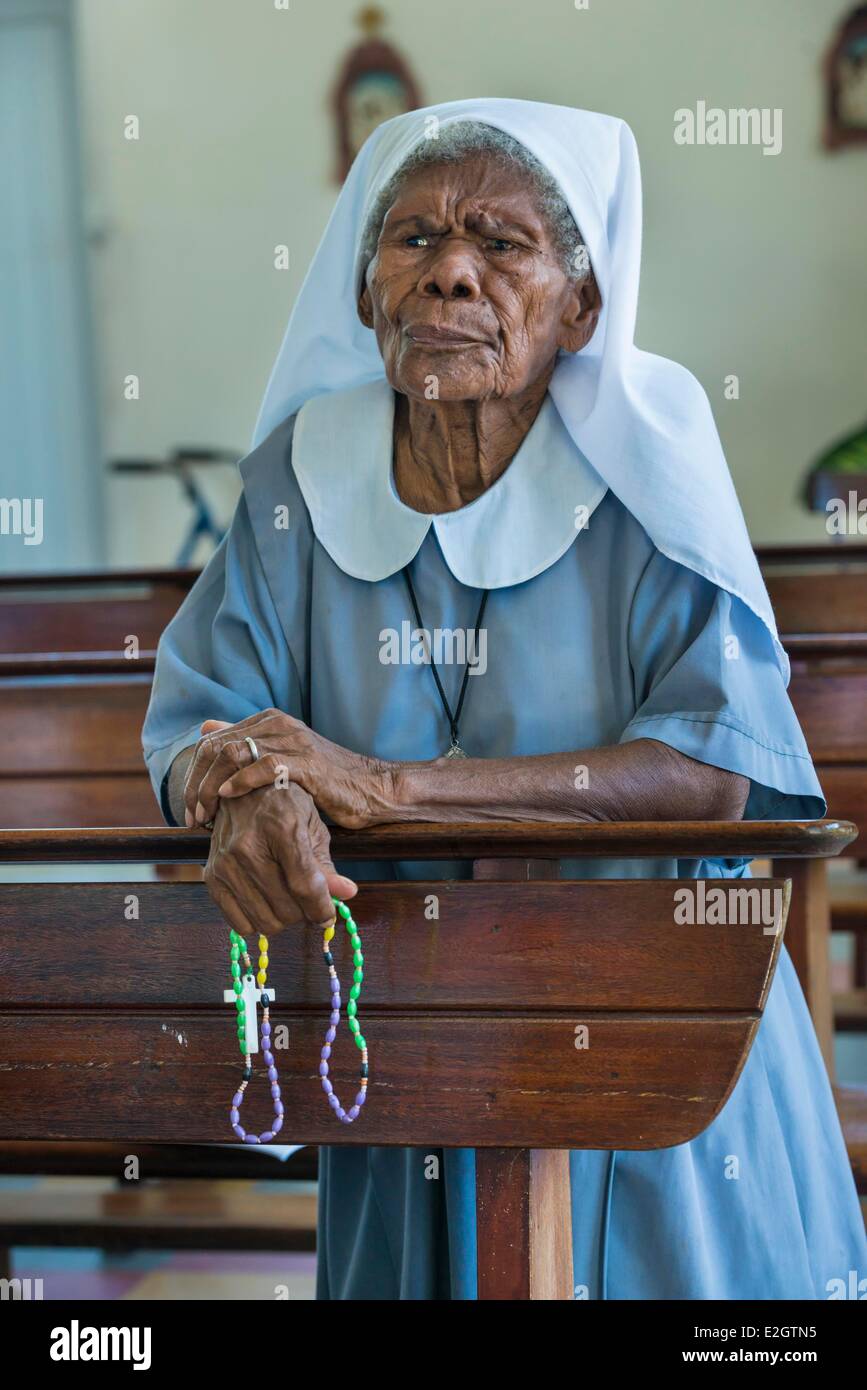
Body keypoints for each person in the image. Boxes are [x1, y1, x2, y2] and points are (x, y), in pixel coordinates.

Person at [143, 99, 866, 1299]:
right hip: (398, 1027)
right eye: (414, 241)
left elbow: (709, 766)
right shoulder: (298, 478)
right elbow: (200, 725)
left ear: (582, 305)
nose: (451, 275)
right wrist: (250, 798)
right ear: (366, 292)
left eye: (502, 241)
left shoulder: (651, 473)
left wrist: (385, 787)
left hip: (647, 1022)